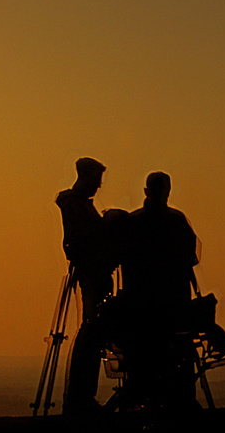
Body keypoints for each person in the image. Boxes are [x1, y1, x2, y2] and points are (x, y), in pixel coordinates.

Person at [110, 171, 202, 410]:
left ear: (146, 191)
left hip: (142, 309)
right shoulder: (176, 220)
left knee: (144, 367)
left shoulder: (133, 222)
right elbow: (190, 258)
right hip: (170, 306)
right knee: (175, 362)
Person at [55, 157, 119, 413]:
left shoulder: (77, 205)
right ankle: (81, 397)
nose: (98, 186)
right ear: (86, 177)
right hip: (92, 274)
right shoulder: (75, 206)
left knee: (93, 332)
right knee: (92, 332)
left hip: (94, 273)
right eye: (96, 180)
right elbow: (82, 242)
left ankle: (81, 396)